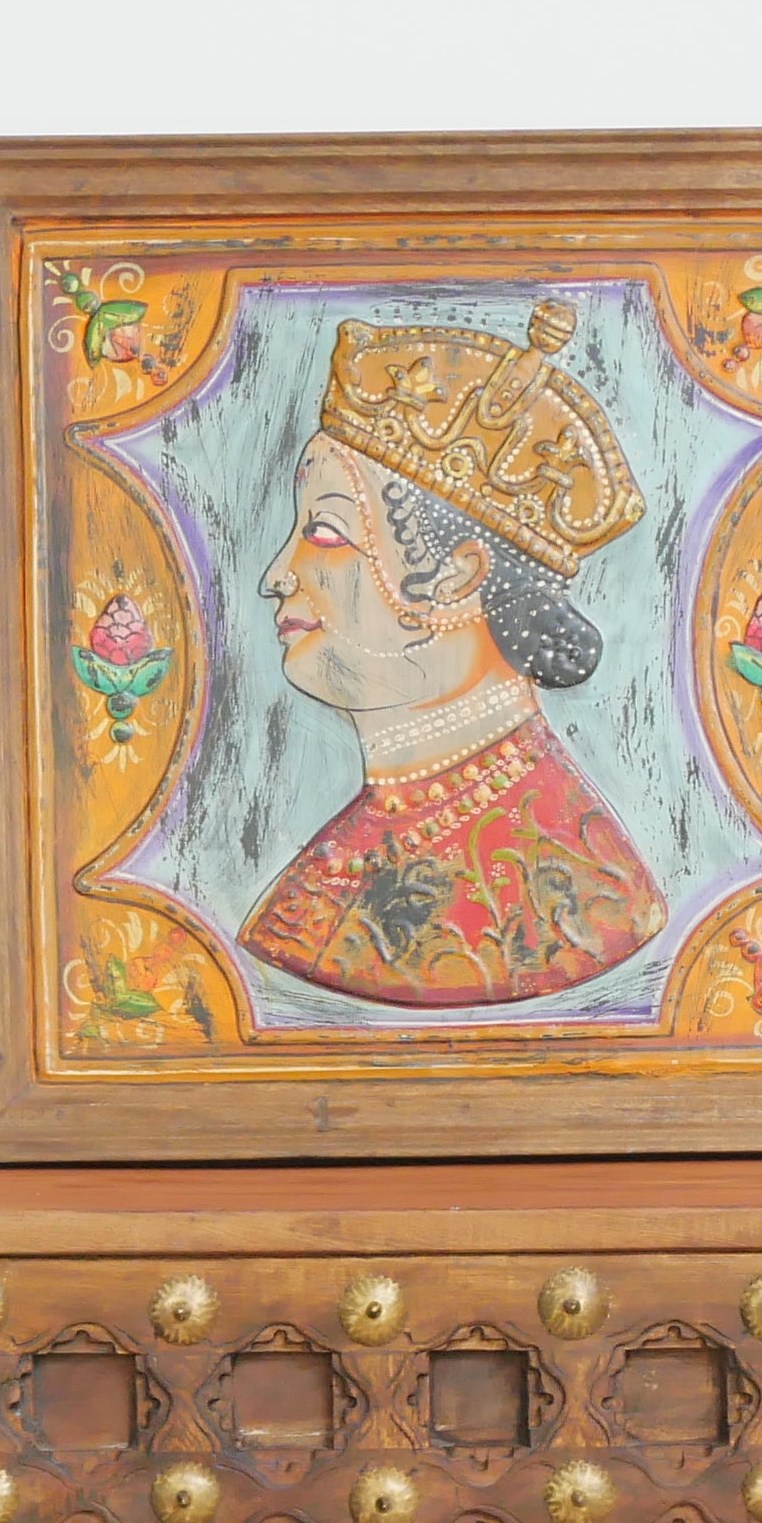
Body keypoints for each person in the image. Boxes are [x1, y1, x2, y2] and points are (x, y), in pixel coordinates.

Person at [238, 299, 668, 1010]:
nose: (276, 576)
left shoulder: (573, 884)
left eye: (324, 533)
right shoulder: (367, 833)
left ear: (458, 577)